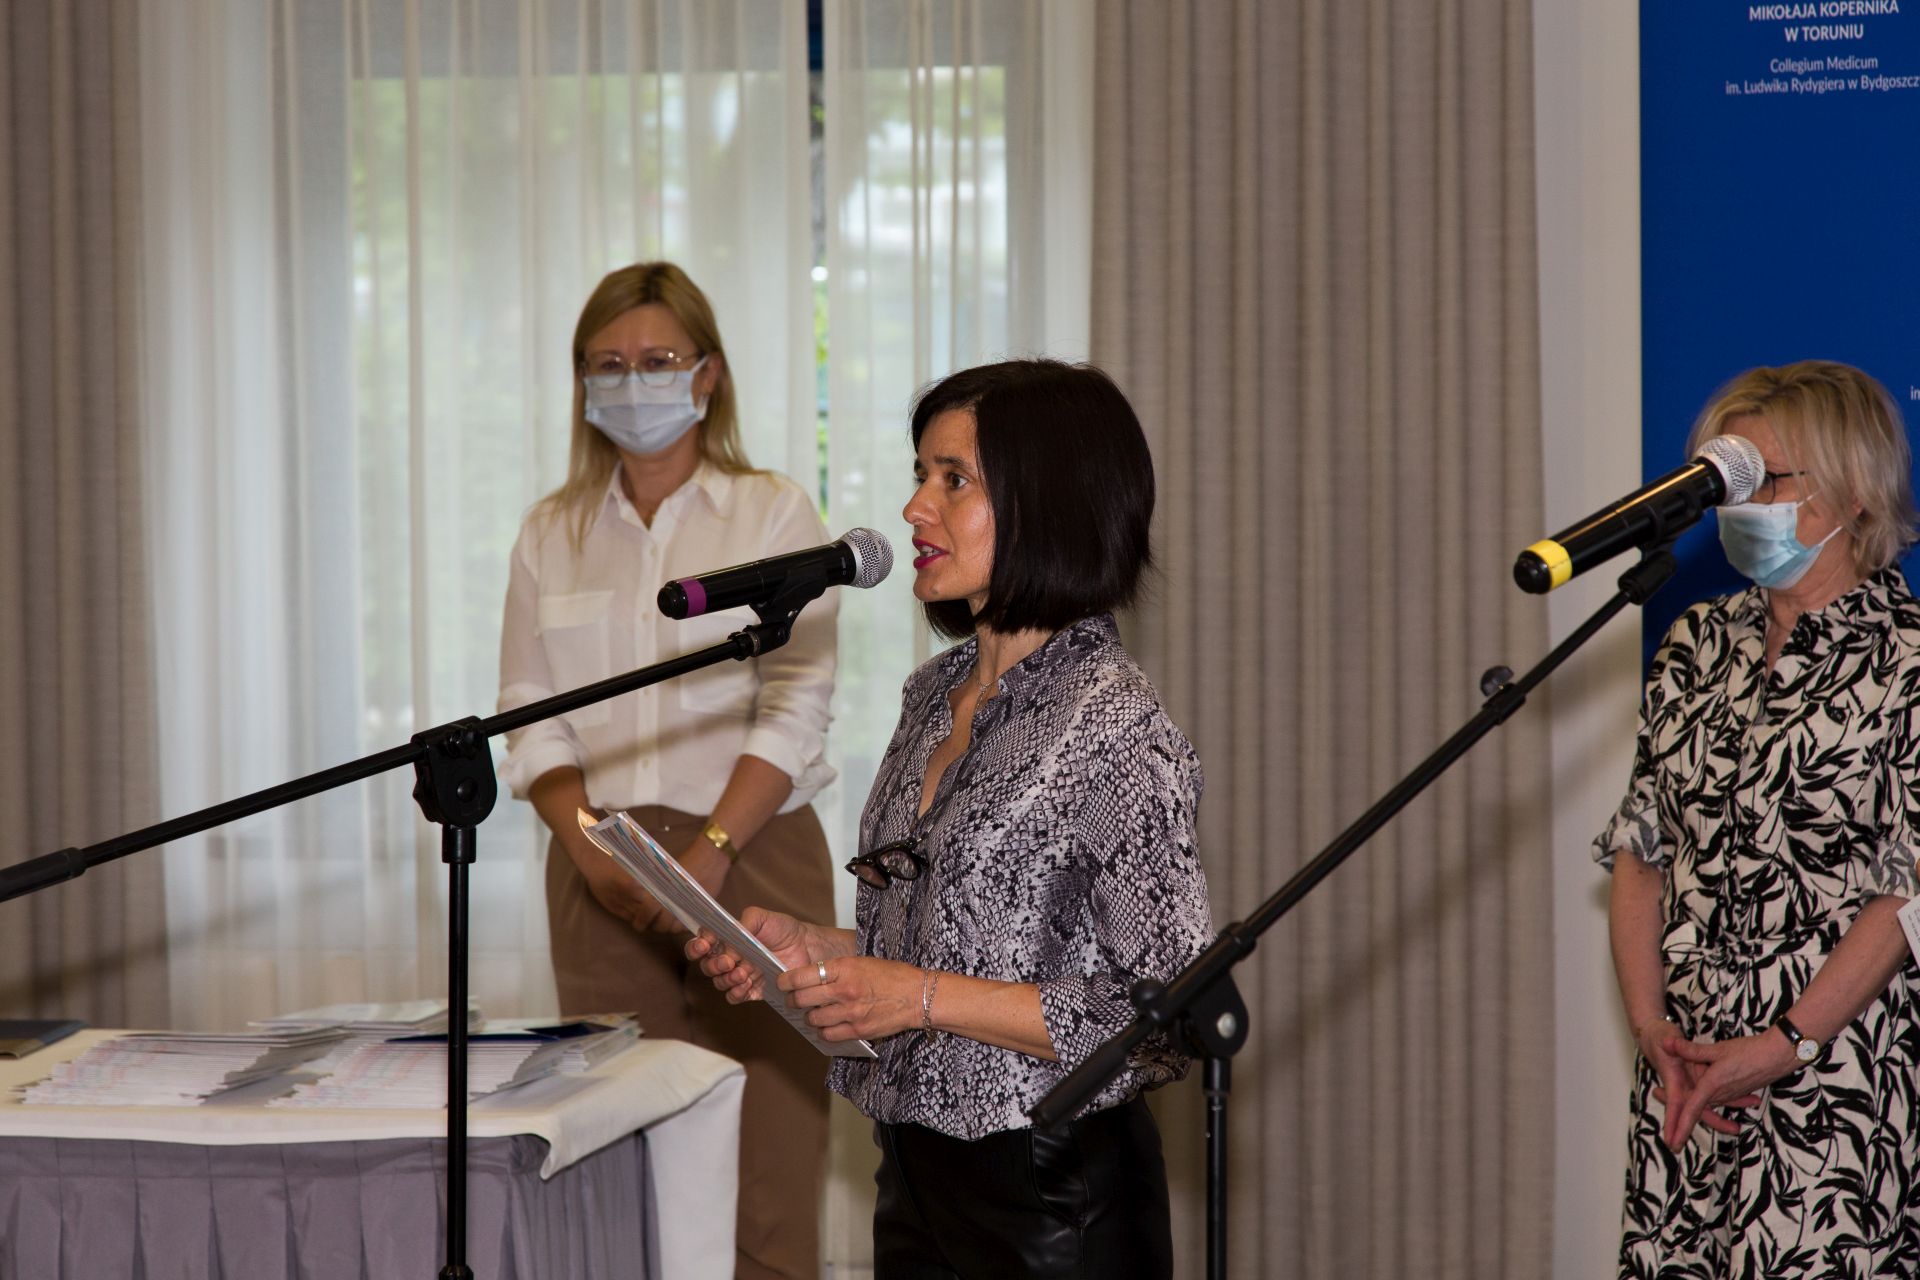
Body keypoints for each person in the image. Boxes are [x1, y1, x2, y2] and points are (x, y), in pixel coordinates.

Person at [689, 359, 1214, 1278]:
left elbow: (1164, 1014)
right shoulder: (934, 694)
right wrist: (820, 953)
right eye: (920, 475)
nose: (914, 508)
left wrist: (917, 997)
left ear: (1047, 501)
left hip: (1054, 1201)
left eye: (953, 480)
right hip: (912, 1176)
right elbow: (963, 942)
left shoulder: (1115, 725)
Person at [497, 262, 836, 1280]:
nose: (631, 381)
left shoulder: (772, 512)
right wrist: (585, 845)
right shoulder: (549, 532)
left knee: (770, 1157)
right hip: (602, 866)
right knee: (614, 1154)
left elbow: (796, 701)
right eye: (607, 364)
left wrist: (716, 848)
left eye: (656, 360)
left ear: (708, 374)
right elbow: (527, 714)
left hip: (756, 849)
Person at [1597, 359, 1920, 1278]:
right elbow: (1641, 851)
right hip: (1690, 1087)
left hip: (1836, 1091)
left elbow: (1909, 894)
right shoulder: (1696, 646)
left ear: (1855, 491)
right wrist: (1652, 1030)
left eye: (1764, 479)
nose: (1741, 506)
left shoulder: (1908, 664)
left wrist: (1785, 1043)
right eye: (1723, 480)